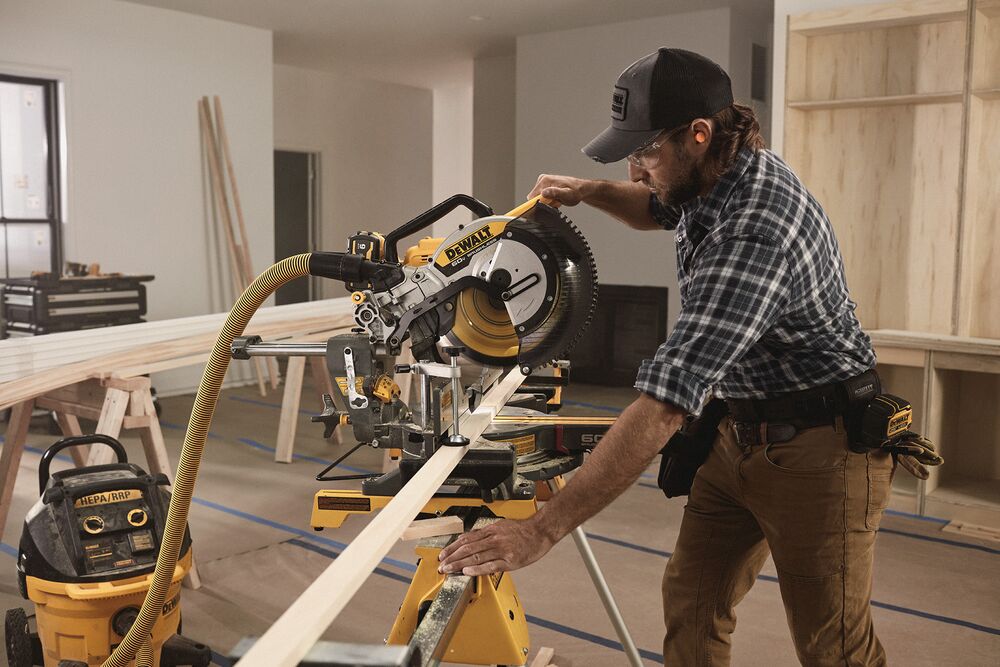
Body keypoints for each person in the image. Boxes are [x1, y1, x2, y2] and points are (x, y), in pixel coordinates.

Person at [439, 48, 903, 666]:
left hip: (822, 449)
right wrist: (588, 192)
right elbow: (659, 207)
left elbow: (665, 405)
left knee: (834, 646)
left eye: (644, 153)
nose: (635, 172)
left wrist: (539, 532)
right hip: (740, 430)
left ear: (698, 134)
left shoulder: (756, 228)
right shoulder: (712, 172)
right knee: (691, 600)